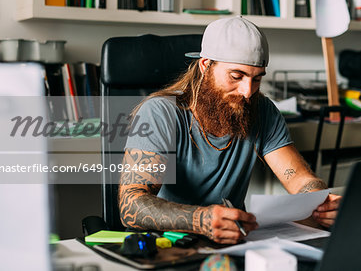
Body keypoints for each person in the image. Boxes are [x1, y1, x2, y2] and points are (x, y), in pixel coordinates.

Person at [119, 16, 341, 244]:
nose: (247, 91)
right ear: (206, 65)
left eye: (257, 79)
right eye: (237, 76)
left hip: (233, 243)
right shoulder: (159, 113)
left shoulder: (262, 109)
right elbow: (131, 204)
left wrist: (320, 202)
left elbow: (299, 179)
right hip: (171, 244)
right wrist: (200, 219)